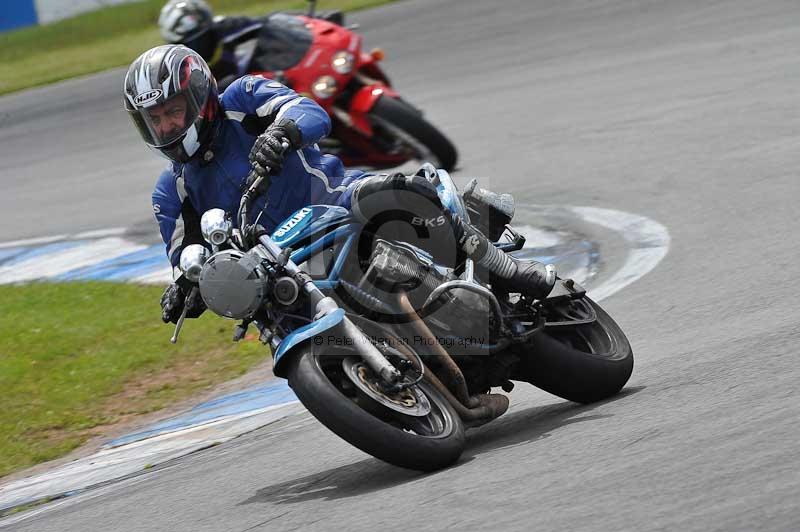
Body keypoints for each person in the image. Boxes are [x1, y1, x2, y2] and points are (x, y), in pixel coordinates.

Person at [122, 44, 556, 325]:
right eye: (155, 119)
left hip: (336, 203)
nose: (166, 125)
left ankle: (505, 267)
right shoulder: (171, 190)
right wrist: (184, 285)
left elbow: (309, 110)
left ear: (198, 97)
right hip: (280, 267)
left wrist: (282, 132)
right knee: (274, 321)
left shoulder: (242, 98)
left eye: (173, 111)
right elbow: (185, 253)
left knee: (403, 192)